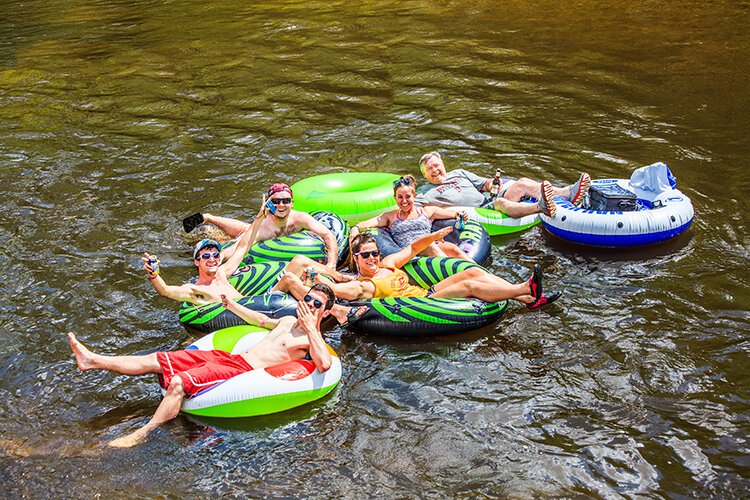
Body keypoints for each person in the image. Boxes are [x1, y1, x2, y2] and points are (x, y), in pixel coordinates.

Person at [68, 283, 336, 448]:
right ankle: (92, 360)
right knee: (158, 360)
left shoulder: (310, 340)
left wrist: (313, 328)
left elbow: (324, 364)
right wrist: (232, 305)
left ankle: (142, 433)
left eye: (316, 305)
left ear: (324, 313)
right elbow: (258, 319)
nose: (309, 305)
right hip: (228, 357)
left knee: (179, 383)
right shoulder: (288, 321)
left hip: (241, 372)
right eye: (307, 299)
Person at [274, 229, 561, 326]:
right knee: (470, 284)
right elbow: (334, 293)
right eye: (366, 256)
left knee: (472, 270)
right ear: (357, 259)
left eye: (374, 252)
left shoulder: (387, 264)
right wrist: (305, 279)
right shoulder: (361, 285)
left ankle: (527, 298)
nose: (373, 258)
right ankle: (524, 287)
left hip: (428, 291)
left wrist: (434, 237)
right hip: (422, 305)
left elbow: (411, 248)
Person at [145, 197, 352, 306]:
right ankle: (335, 307)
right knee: (289, 278)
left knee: (298, 260)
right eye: (206, 256)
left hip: (257, 302)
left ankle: (342, 278)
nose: (212, 259)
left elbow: (244, 246)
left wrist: (260, 216)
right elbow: (165, 291)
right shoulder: (197, 290)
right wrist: (154, 274)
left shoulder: (223, 274)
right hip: (253, 309)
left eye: (215, 255)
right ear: (197, 262)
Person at [182, 183, 340, 269]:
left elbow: (328, 235)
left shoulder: (300, 218)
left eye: (285, 201)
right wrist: (217, 258)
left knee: (245, 229)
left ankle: (208, 217)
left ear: (292, 203)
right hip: (261, 231)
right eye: (276, 201)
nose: (281, 205)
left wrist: (331, 264)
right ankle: (208, 218)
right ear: (269, 204)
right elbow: (239, 248)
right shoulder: (264, 227)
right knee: (242, 234)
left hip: (267, 232)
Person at [417, 151, 591, 218]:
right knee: (500, 204)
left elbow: (484, 184)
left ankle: (568, 193)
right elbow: (413, 209)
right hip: (478, 213)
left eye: (436, 165)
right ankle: (541, 207)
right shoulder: (424, 192)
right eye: (429, 169)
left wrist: (493, 183)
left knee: (521, 182)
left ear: (443, 164)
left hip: (488, 200)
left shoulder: (459, 173)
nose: (434, 170)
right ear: (424, 175)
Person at [349, 174, 471, 260]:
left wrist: (461, 215)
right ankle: (458, 274)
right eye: (400, 197)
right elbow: (365, 224)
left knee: (453, 249)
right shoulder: (390, 217)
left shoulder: (427, 211)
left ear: (414, 196)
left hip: (432, 246)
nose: (404, 201)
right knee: (429, 245)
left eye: (408, 196)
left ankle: (483, 274)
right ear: (395, 198)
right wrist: (355, 228)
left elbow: (455, 214)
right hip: (411, 252)